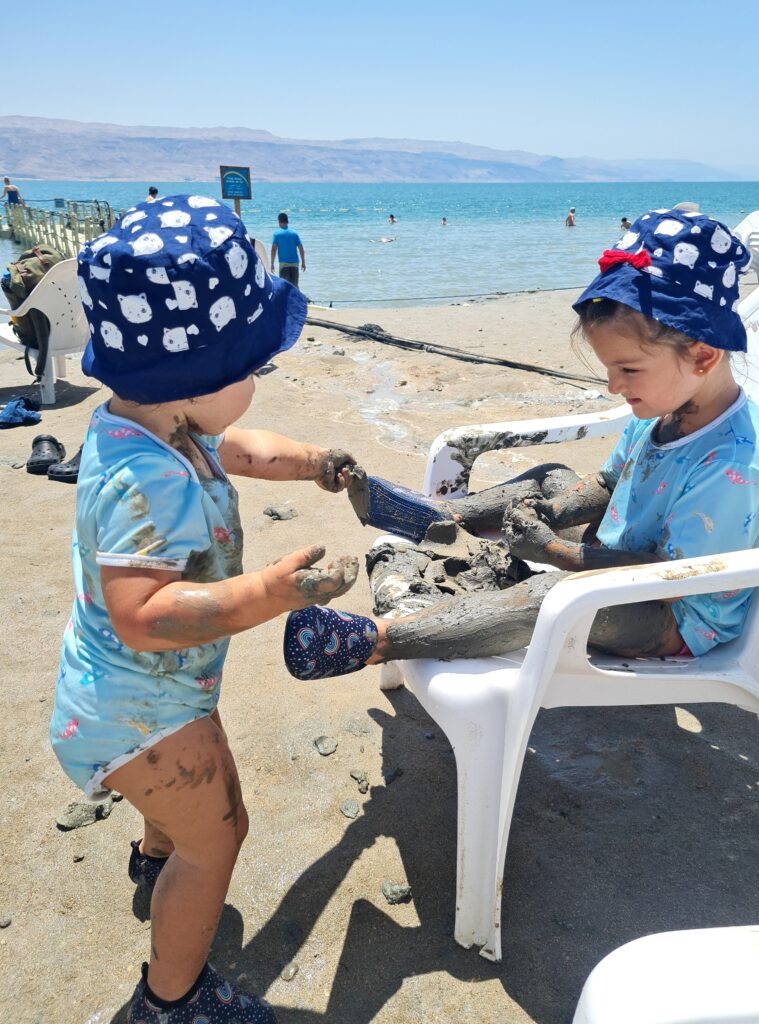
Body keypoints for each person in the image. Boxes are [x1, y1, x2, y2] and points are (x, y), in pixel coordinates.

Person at [50, 195, 360, 1023]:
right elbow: (143, 614)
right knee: (220, 834)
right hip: (139, 712)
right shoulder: (146, 478)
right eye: (252, 368)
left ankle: (157, 865)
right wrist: (269, 594)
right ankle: (172, 998)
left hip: (142, 699)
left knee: (180, 817)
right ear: (193, 380)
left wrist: (317, 464)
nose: (258, 382)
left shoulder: (156, 425)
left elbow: (243, 447)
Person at [281, 209, 759, 679]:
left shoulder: (734, 464)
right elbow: (607, 481)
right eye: (609, 369)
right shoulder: (665, 406)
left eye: (628, 370)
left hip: (672, 615)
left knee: (554, 597)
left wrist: (557, 552)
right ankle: (444, 517)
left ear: (702, 356)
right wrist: (552, 512)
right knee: (551, 475)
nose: (613, 387)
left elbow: (670, 577)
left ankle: (378, 641)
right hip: (625, 551)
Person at [270, 211, 305, 287]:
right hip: (295, 264)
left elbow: (273, 250)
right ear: (287, 221)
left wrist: (272, 263)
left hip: (283, 264)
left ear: (279, 221)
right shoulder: (294, 233)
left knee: (284, 287)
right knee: (295, 287)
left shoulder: (277, 234)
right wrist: (303, 262)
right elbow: (301, 248)